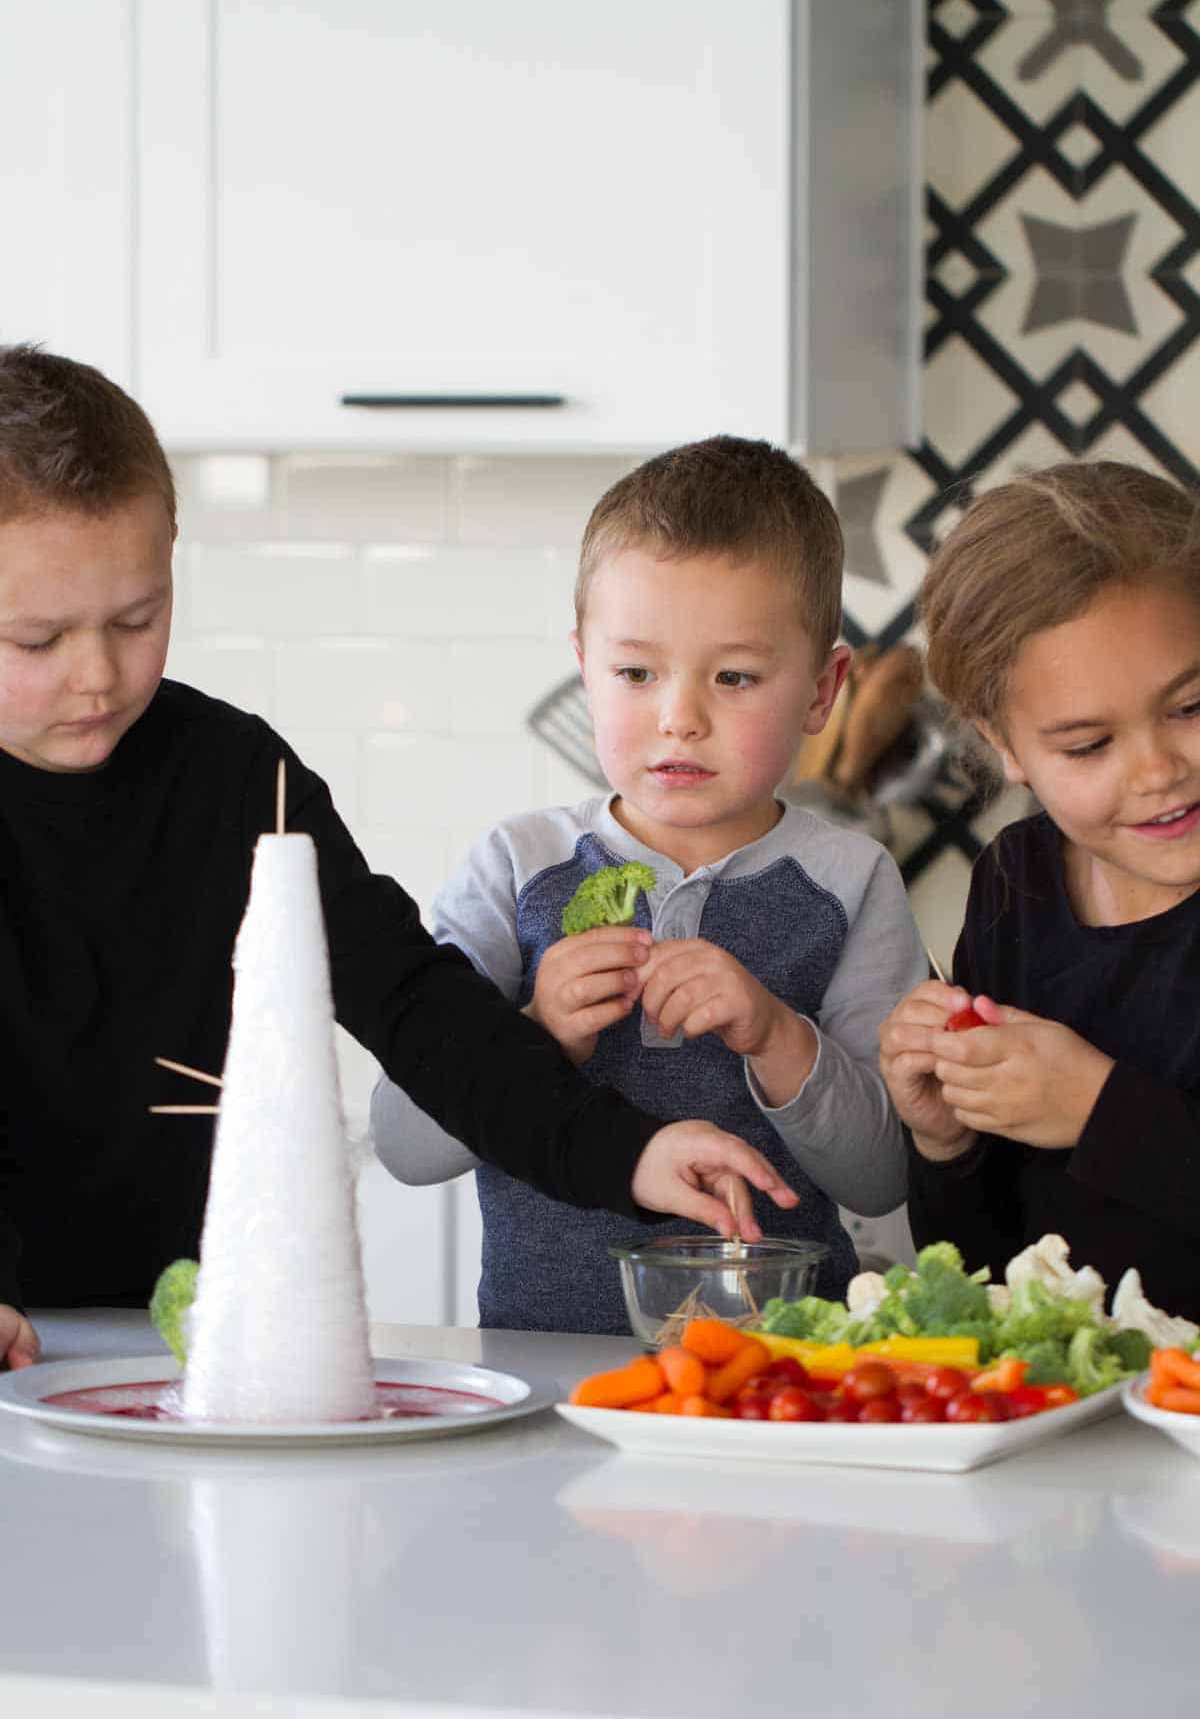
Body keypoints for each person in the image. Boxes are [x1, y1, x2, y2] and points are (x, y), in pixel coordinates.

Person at [0, 348, 800, 1373]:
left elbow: (420, 1007)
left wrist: (627, 1151)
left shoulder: (235, 777)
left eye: (137, 618)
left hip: (182, 1345)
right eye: (36, 641)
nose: (100, 675)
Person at [371, 436, 929, 1332]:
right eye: (636, 673)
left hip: (781, 1382)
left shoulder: (853, 882)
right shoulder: (515, 868)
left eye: (736, 677)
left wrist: (777, 1034)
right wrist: (535, 1036)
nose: (680, 717)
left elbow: (884, 1175)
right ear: (585, 666)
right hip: (541, 1371)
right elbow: (402, 1143)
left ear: (823, 691)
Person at [879, 461, 1200, 1317]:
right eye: (1090, 745)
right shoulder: (1017, 882)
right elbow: (989, 1271)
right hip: (1074, 1426)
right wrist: (948, 1142)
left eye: (1191, 705)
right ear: (1007, 747)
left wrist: (1100, 1110)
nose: (1159, 769)